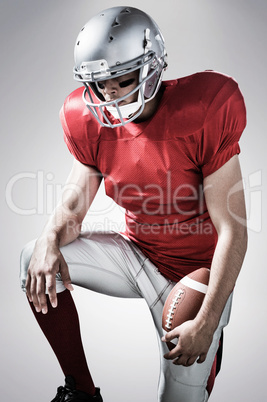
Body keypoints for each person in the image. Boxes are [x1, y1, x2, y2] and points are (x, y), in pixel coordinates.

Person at [20, 6, 247, 402]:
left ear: (153, 66)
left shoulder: (204, 110)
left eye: (121, 79)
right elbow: (73, 209)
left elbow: (234, 228)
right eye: (101, 83)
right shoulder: (86, 121)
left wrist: (209, 320)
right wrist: (49, 238)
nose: (109, 94)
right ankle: (83, 393)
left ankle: (206, 350)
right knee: (34, 259)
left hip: (195, 276)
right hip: (136, 255)